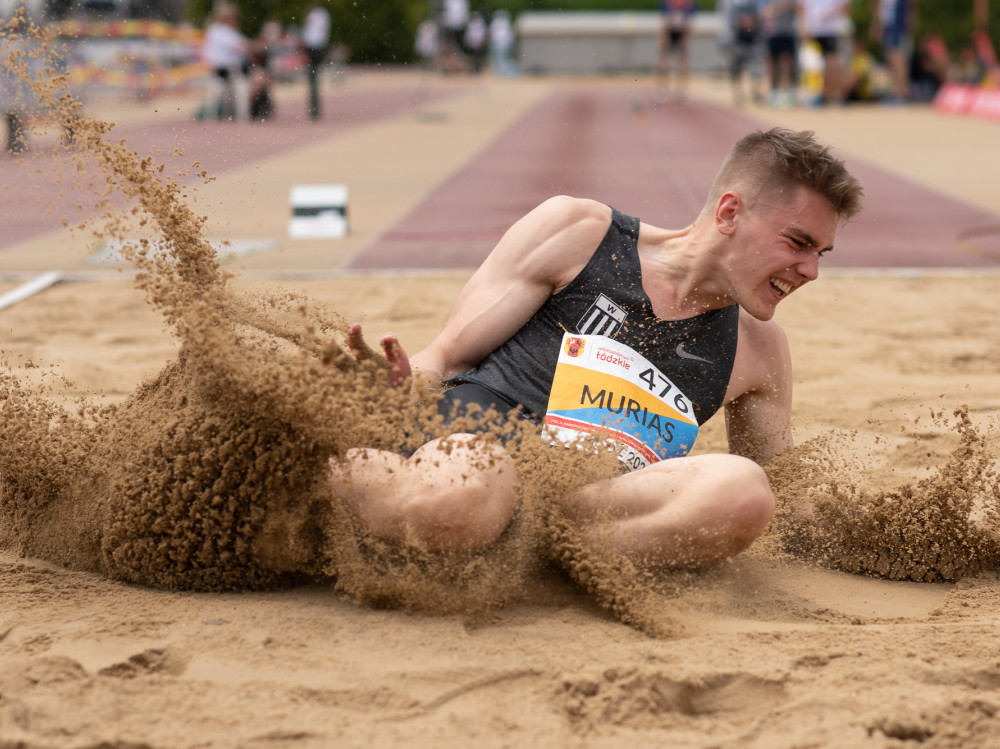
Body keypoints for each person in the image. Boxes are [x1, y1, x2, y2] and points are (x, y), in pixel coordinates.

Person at [330, 128, 864, 568]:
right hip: (473, 453)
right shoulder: (580, 234)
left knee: (743, 491)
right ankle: (317, 484)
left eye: (822, 252)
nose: (812, 271)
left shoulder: (758, 348)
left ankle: (537, 557)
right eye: (797, 243)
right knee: (470, 496)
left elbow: (790, 505)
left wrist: (899, 538)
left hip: (580, 509)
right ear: (728, 213)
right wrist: (391, 391)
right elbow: (448, 356)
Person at [201, 3, 251, 122]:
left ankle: (232, 116)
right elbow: (240, 47)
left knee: (232, 92)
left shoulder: (222, 31)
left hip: (226, 68)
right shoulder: (220, 31)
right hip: (225, 69)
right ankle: (240, 117)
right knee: (238, 89)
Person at [799, 0, 850, 105]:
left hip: (829, 31)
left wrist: (830, 14)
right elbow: (803, 8)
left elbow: (846, 7)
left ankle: (832, 93)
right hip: (814, 32)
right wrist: (804, 26)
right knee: (815, 65)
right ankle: (824, 93)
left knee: (832, 63)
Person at [870, 0, 913, 103]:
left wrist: (877, 25)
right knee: (893, 55)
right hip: (892, 19)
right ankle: (899, 90)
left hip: (895, 19)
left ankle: (901, 91)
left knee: (895, 55)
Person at [655, 0, 696, 102]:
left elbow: (691, 23)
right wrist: (664, 37)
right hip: (668, 30)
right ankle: (662, 87)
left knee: (682, 60)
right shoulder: (667, 3)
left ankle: (681, 89)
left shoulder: (689, 3)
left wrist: (686, 39)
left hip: (683, 31)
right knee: (663, 59)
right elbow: (662, 20)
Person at [761, 0, 800, 107]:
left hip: (788, 33)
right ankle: (773, 91)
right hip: (772, 34)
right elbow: (766, 13)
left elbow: (798, 7)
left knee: (786, 63)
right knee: (772, 63)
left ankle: (786, 92)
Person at [301, 4, 331, 120]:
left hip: (313, 47)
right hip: (318, 47)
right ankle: (315, 108)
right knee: (314, 78)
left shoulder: (316, 14)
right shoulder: (323, 13)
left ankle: (314, 109)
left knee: (313, 79)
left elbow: (310, 34)